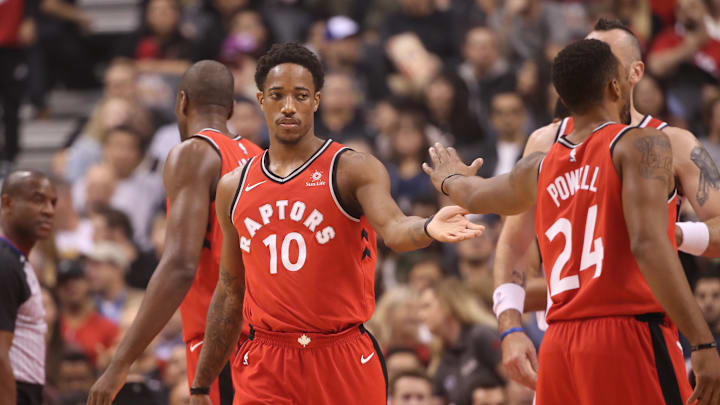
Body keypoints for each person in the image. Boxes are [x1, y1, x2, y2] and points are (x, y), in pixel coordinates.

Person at [423, 38, 720, 404]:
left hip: (560, 343)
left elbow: (478, 195)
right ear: (616, 86)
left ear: (563, 98)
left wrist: (449, 180)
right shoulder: (642, 144)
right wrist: (703, 340)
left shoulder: (539, 163)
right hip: (627, 334)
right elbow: (648, 244)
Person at [188, 42, 484, 405]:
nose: (288, 106)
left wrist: (426, 227)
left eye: (300, 95)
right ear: (260, 100)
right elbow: (230, 289)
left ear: (316, 100)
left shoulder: (351, 168)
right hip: (265, 360)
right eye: (277, 95)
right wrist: (201, 384)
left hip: (341, 354)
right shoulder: (233, 186)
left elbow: (394, 229)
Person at [86, 60, 262, 405]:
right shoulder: (257, 157)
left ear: (181, 101)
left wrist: (120, 363)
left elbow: (180, 264)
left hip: (220, 344)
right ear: (230, 109)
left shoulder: (194, 153)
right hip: (260, 342)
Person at [0, 170, 57, 405]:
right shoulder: (4, 262)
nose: (49, 210)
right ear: (7, 203)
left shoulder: (15, 260)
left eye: (53, 203)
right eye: (38, 200)